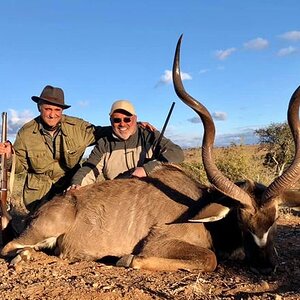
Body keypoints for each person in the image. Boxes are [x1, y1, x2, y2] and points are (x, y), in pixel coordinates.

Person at [0, 86, 154, 213]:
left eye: (57, 110)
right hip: (37, 194)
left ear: (62, 110)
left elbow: (106, 131)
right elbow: (19, 166)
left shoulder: (78, 127)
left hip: (70, 186)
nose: (52, 114)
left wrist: (134, 125)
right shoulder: (26, 132)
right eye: (48, 109)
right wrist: (8, 157)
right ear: (39, 107)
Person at [70, 99, 184, 188]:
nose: (122, 124)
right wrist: (76, 185)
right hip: (118, 197)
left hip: (150, 195)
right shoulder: (104, 144)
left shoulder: (149, 135)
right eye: (117, 120)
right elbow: (88, 169)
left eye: (127, 119)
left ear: (135, 118)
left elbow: (177, 154)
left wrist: (146, 170)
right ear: (111, 121)